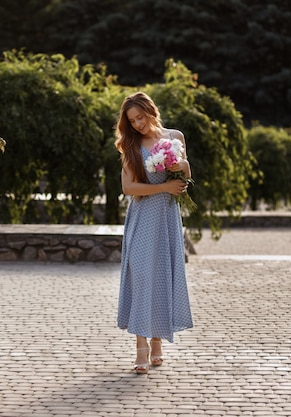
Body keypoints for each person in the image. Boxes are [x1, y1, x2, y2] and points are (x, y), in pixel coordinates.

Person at [114, 92, 193, 374]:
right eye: (131, 120)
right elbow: (129, 188)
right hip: (142, 217)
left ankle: (157, 343)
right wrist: (164, 187)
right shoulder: (130, 145)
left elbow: (186, 173)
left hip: (167, 219)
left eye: (140, 117)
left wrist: (179, 168)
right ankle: (141, 347)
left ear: (150, 111)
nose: (137, 124)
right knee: (142, 277)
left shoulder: (175, 137)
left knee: (161, 276)